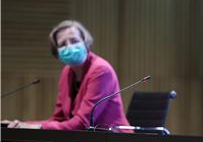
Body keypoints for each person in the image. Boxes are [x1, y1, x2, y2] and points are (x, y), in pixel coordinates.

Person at [4, 20, 132, 132]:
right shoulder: (67, 71)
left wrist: (38, 127)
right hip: (86, 141)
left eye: (74, 41)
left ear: (85, 42)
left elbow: (82, 124)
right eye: (63, 44)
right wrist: (21, 125)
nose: (69, 46)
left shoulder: (101, 70)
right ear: (56, 51)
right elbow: (58, 118)